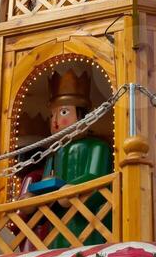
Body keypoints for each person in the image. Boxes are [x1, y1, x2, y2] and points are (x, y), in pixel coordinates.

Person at [24, 69, 112, 247]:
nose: (55, 121)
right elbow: (47, 185)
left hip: (90, 227)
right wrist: (34, 198)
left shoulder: (97, 147)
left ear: (84, 116)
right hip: (56, 229)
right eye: (52, 115)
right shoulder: (53, 154)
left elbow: (99, 180)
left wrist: (73, 189)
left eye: (63, 113)